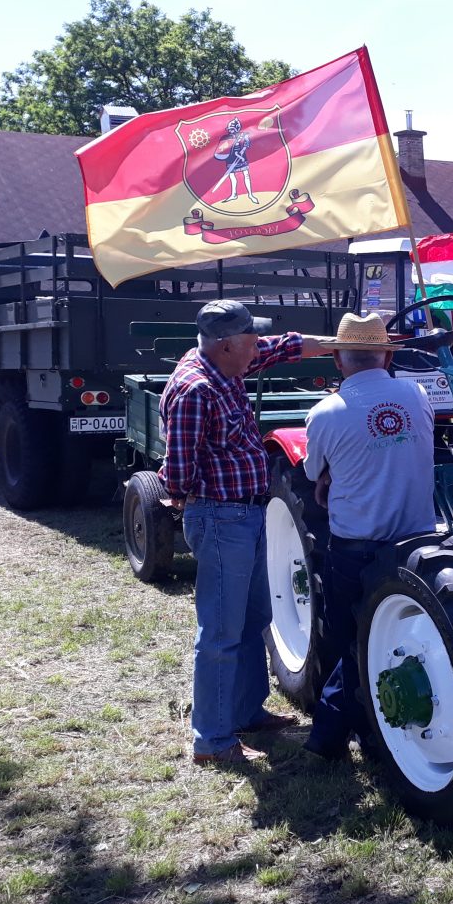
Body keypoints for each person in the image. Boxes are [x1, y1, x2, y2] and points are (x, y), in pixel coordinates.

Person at [160, 300, 329, 765]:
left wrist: (343, 343)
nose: (259, 349)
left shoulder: (229, 363)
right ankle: (212, 741)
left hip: (245, 515)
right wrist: (186, 499)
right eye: (251, 342)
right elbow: (176, 473)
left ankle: (247, 712)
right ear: (226, 344)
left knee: (254, 619)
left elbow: (286, 346)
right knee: (220, 632)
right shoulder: (195, 390)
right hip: (221, 519)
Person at [301, 313, 437, 760]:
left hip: (356, 546)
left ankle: (329, 735)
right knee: (404, 637)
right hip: (417, 543)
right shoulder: (417, 396)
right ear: (387, 355)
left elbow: (311, 471)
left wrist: (328, 476)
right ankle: (371, 729)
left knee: (349, 638)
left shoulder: (324, 413)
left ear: (339, 359)